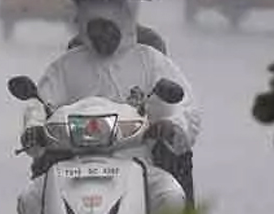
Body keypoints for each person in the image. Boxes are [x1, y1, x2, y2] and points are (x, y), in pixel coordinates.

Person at [16, 0, 200, 214]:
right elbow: (39, 103)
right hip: (72, 169)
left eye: (109, 28)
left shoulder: (151, 61)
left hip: (138, 168)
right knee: (29, 201)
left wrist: (174, 126)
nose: (102, 35)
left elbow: (185, 106)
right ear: (84, 28)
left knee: (172, 196)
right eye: (95, 28)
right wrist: (33, 127)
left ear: (125, 26)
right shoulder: (66, 66)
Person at [66, 23, 195, 201]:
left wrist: (171, 126)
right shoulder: (77, 48)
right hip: (82, 158)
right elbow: (53, 103)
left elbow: (181, 107)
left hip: (140, 157)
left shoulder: (149, 44)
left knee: (172, 195)